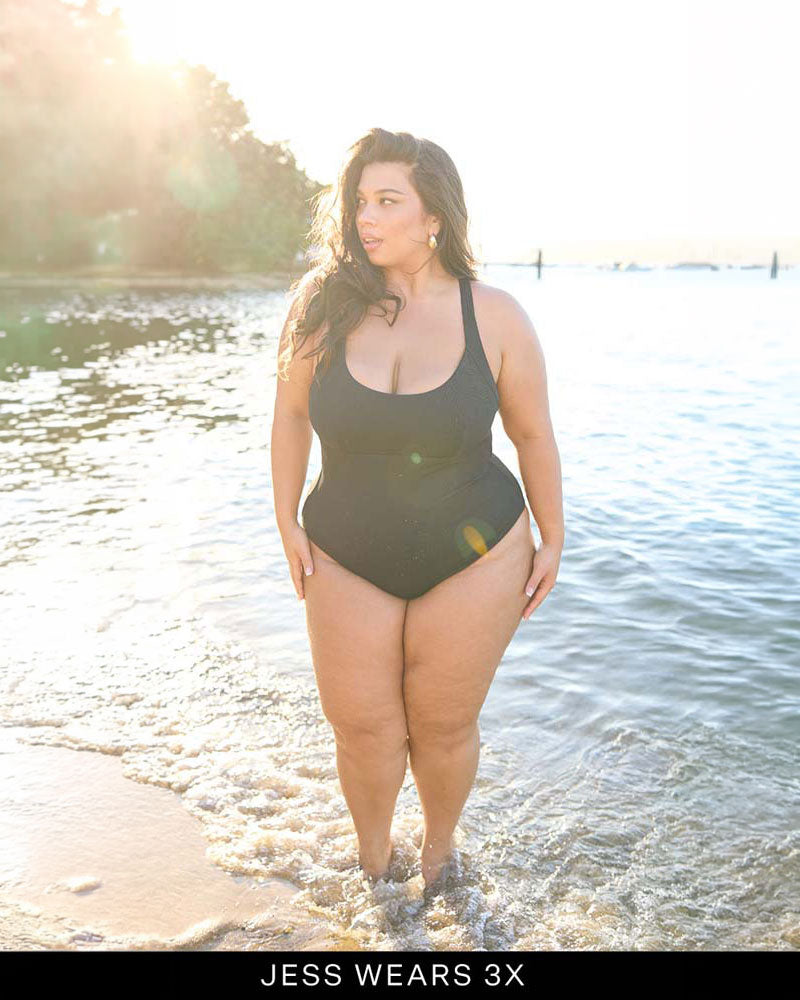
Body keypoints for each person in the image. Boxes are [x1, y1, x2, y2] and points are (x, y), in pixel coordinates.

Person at [271, 128, 563, 890]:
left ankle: (438, 855)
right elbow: (291, 414)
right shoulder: (322, 306)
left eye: (387, 201)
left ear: (433, 216)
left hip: (476, 549)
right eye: (361, 201)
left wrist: (554, 538)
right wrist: (285, 520)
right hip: (344, 545)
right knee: (364, 730)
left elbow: (532, 434)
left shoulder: (494, 315)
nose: (366, 218)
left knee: (441, 727)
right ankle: (374, 865)